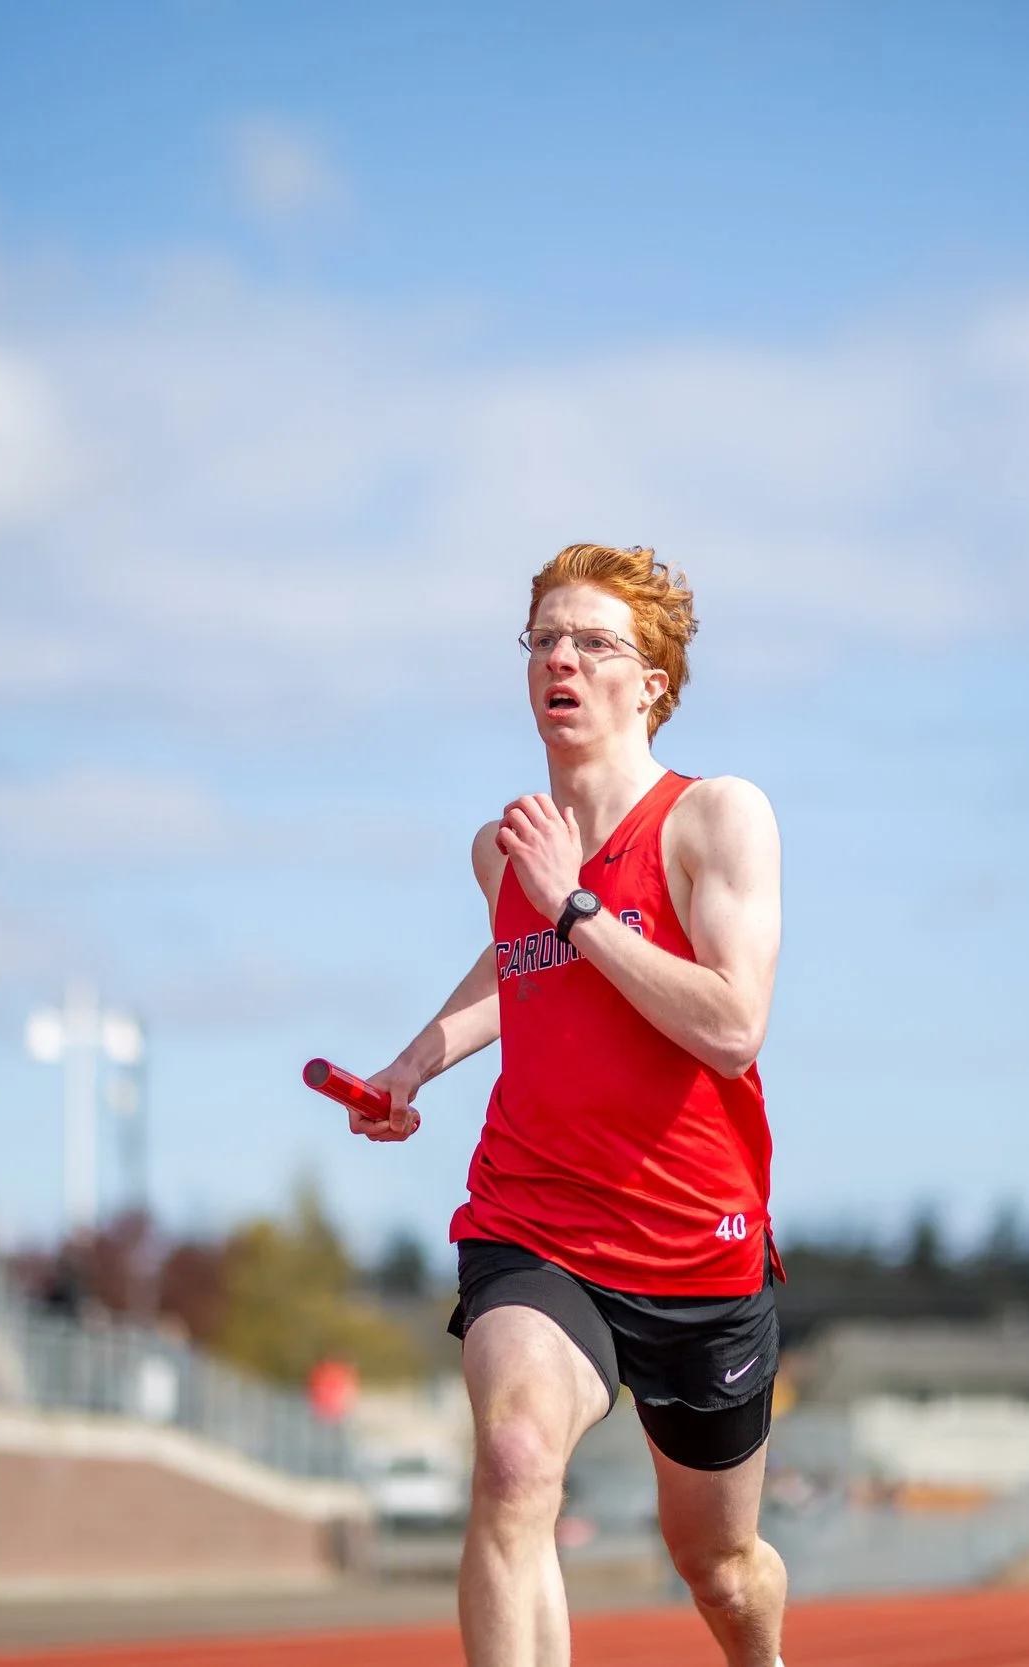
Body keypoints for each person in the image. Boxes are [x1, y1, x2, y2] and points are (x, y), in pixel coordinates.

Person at [353, 544, 788, 1667]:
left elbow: (731, 1027)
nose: (562, 657)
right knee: (512, 1465)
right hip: (535, 1221)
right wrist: (411, 1065)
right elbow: (520, 963)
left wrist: (576, 901)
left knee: (719, 1567)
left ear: (650, 680)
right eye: (544, 637)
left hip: (698, 1248)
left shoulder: (714, 818)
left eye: (594, 640)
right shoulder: (507, 849)